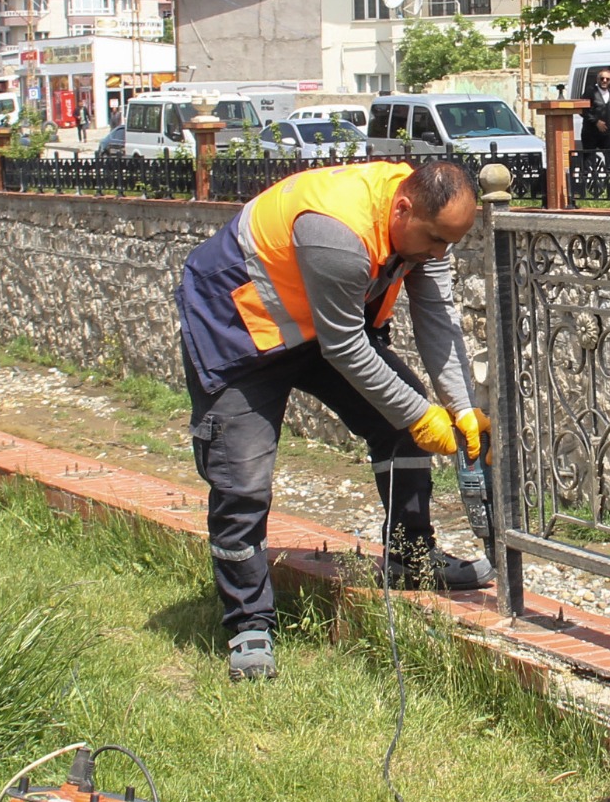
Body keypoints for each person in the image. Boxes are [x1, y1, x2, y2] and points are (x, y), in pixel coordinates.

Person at [176, 157, 494, 681]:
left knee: (399, 425)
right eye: (436, 240)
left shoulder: (429, 225)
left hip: (324, 328)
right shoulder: (337, 230)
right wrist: (421, 415)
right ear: (404, 208)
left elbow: (436, 317)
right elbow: (346, 346)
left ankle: (410, 560)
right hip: (241, 326)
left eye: (449, 244)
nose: (440, 253)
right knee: (243, 478)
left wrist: (458, 409)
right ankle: (248, 624)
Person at [580, 67, 610, 154]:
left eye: (607, 79)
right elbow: (582, 110)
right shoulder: (590, 92)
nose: (604, 81)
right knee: (589, 160)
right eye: (602, 78)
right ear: (597, 79)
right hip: (590, 133)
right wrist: (596, 121)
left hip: (606, 133)